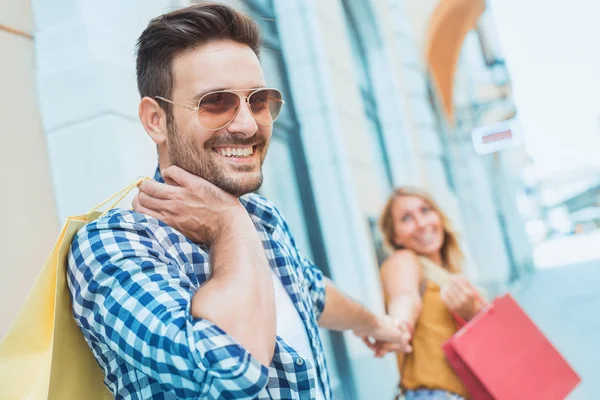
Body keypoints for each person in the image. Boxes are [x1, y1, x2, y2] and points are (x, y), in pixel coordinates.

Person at [67, 3, 411, 399]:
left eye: (258, 100)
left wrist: (375, 325)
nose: (248, 124)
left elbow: (310, 290)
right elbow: (232, 368)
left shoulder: (262, 217)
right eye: (215, 102)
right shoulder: (113, 245)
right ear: (155, 120)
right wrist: (229, 224)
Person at [378, 188, 486, 400]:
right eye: (407, 218)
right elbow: (405, 296)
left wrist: (470, 312)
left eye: (425, 210)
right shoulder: (404, 260)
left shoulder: (450, 274)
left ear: (438, 216)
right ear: (395, 236)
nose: (421, 224)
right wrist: (400, 324)